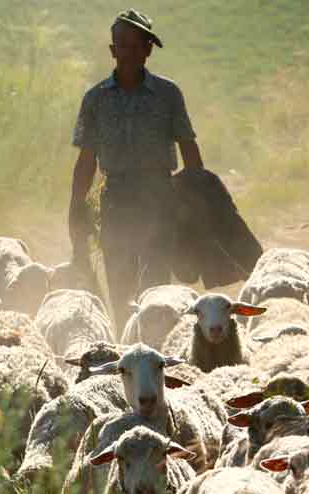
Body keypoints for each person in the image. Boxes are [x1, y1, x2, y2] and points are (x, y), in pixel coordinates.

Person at [69, 8, 203, 327]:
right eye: (122, 45)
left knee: (156, 282)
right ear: (113, 50)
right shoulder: (96, 99)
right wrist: (76, 206)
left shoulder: (168, 94)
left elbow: (188, 146)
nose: (129, 53)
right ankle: (125, 347)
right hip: (115, 199)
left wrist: (199, 201)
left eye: (136, 45)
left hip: (159, 197)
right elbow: (86, 158)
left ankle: (158, 349)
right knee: (119, 279)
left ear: (148, 49)